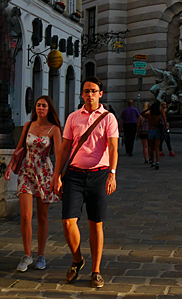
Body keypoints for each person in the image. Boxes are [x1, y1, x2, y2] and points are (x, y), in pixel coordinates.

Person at [55, 78, 120, 288]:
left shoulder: (108, 118)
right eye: (86, 91)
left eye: (93, 91)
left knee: (96, 223)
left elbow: (113, 148)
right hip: (74, 175)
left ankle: (96, 270)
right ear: (82, 94)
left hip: (98, 175)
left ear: (101, 93)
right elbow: (65, 148)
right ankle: (77, 260)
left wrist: (112, 173)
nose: (89, 94)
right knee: (67, 221)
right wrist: (57, 175)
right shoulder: (73, 117)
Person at [5, 95, 62, 272]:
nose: (40, 108)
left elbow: (59, 154)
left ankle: (41, 255)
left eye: (44, 105)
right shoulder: (29, 126)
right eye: (38, 105)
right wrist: (11, 165)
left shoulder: (54, 129)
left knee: (42, 217)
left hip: (44, 173)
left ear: (49, 108)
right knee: (25, 215)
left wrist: (58, 177)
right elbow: (20, 147)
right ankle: (27, 255)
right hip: (26, 171)